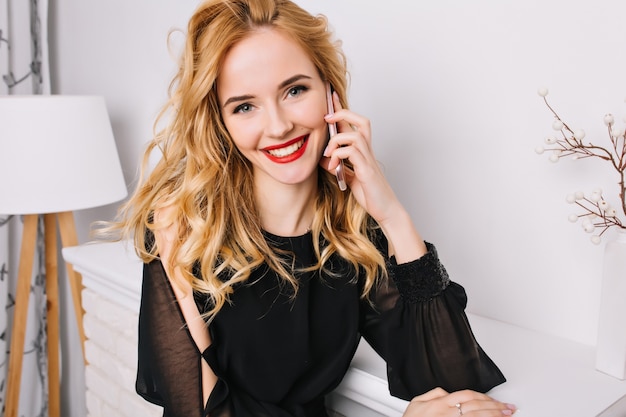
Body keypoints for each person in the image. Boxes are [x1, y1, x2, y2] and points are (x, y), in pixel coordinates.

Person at [102, 0, 515, 415]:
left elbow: (453, 379)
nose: (279, 126)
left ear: (330, 93)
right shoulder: (185, 227)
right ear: (221, 122)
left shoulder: (351, 236)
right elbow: (204, 411)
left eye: (294, 90)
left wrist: (392, 215)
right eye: (245, 106)